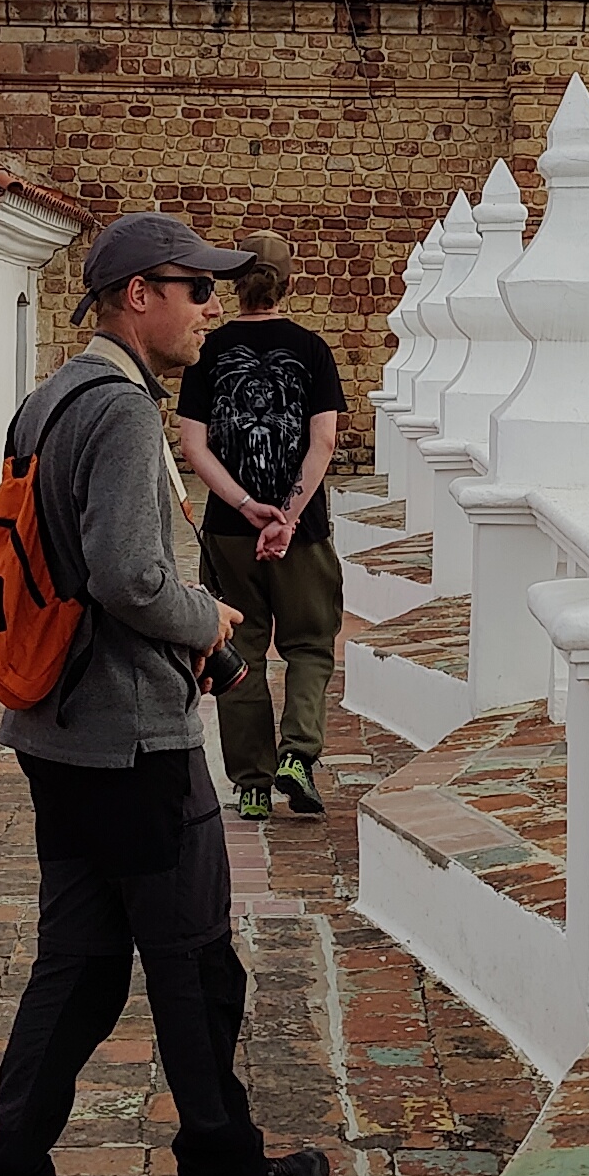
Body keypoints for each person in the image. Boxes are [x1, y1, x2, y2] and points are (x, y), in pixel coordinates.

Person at [0, 210, 335, 1176]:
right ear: (137, 294)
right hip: (130, 737)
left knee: (76, 967)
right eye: (195, 286)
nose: (213, 304)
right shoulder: (120, 408)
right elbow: (128, 574)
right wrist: (208, 622)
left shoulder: (51, 396)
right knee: (194, 960)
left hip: (60, 728)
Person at [173, 231, 346, 824]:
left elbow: (192, 444)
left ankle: (250, 783)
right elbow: (322, 440)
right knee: (310, 645)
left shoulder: (208, 350)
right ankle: (298, 755)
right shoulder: (311, 348)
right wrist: (288, 516)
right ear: (288, 284)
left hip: (228, 528)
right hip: (305, 531)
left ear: (232, 285)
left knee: (237, 648)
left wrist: (247, 506)